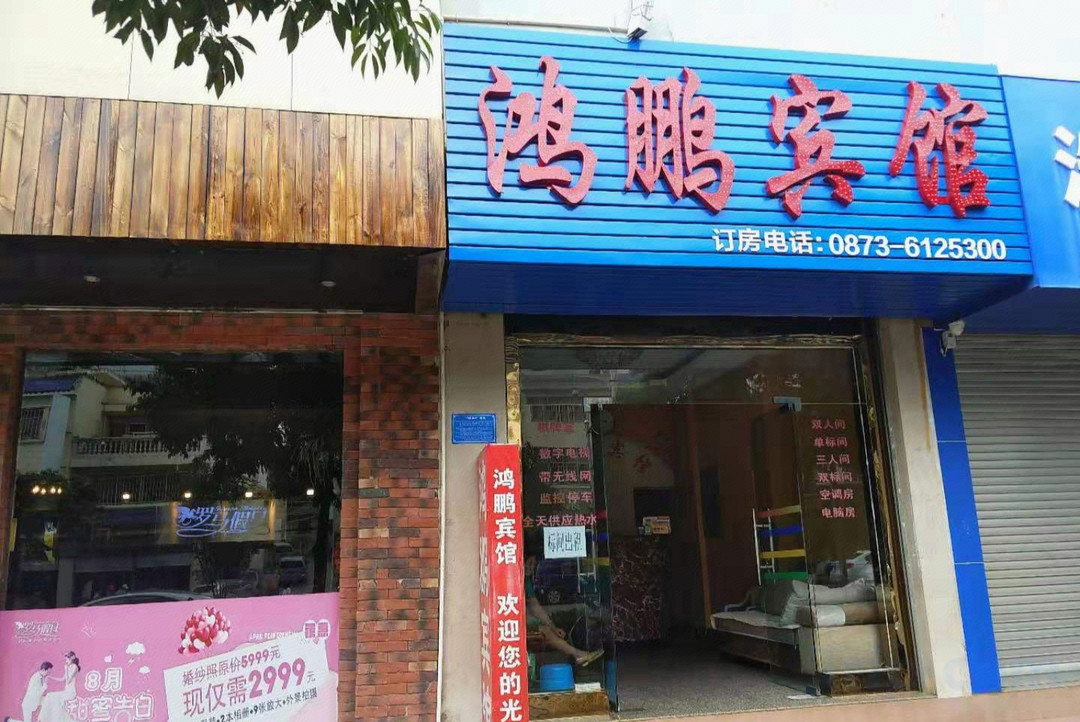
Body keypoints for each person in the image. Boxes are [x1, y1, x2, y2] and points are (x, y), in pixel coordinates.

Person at [523, 555, 602, 667]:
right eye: (529, 563)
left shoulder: (526, 581)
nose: (530, 568)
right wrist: (544, 625)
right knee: (544, 630)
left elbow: (535, 607)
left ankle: (577, 655)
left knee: (552, 629)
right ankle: (577, 655)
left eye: (533, 565)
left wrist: (553, 627)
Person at [37, 652, 79, 722]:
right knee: (54, 703)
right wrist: (50, 677)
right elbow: (62, 679)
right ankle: (44, 718)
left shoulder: (75, 667)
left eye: (67, 660)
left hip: (71, 692)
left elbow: (68, 681)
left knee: (50, 696)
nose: (66, 661)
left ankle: (42, 719)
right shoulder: (68, 667)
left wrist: (66, 669)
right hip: (66, 692)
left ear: (71, 659)